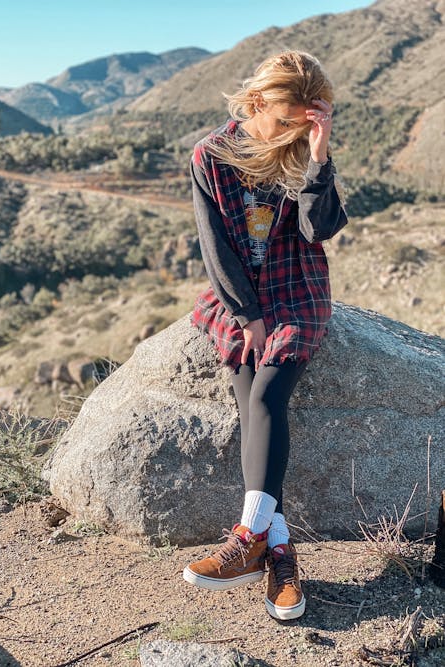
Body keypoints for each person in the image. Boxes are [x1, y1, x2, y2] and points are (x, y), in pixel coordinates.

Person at [182, 50, 349, 621]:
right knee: (250, 401)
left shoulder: (304, 148)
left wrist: (318, 156)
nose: (288, 134)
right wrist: (246, 314)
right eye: (282, 122)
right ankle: (277, 552)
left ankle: (246, 535)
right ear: (255, 103)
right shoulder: (210, 155)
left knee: (268, 395)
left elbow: (318, 228)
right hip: (241, 296)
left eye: (300, 125)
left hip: (297, 286)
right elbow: (216, 247)